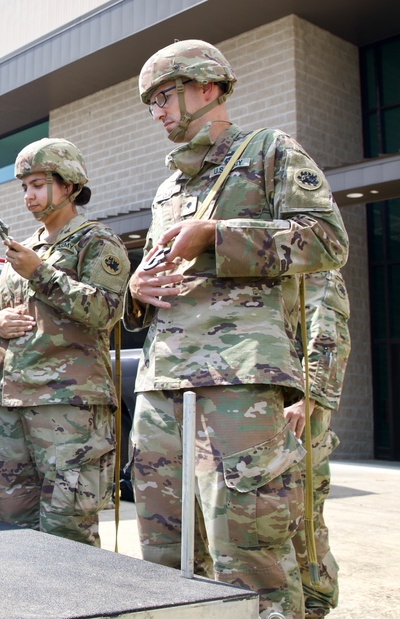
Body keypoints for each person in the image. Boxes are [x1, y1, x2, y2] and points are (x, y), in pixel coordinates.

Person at [125, 40, 349, 618]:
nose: (157, 113)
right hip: (162, 382)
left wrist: (217, 237)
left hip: (238, 379)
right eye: (150, 103)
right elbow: (157, 272)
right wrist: (136, 292)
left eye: (164, 96)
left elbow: (327, 241)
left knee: (250, 553)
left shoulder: (269, 151)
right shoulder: (167, 188)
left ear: (207, 87)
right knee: (162, 549)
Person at [0, 138, 130, 546]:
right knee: (14, 523)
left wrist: (40, 273)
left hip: (68, 405)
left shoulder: (96, 242)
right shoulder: (26, 249)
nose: (28, 195)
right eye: (24, 186)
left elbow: (106, 310)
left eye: (38, 183)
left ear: (68, 184)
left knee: (67, 528)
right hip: (14, 401)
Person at [284, 270, 350, 618]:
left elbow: (330, 338)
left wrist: (308, 399)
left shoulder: (317, 269)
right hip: (271, 405)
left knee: (305, 517)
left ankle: (315, 601)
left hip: (301, 412)